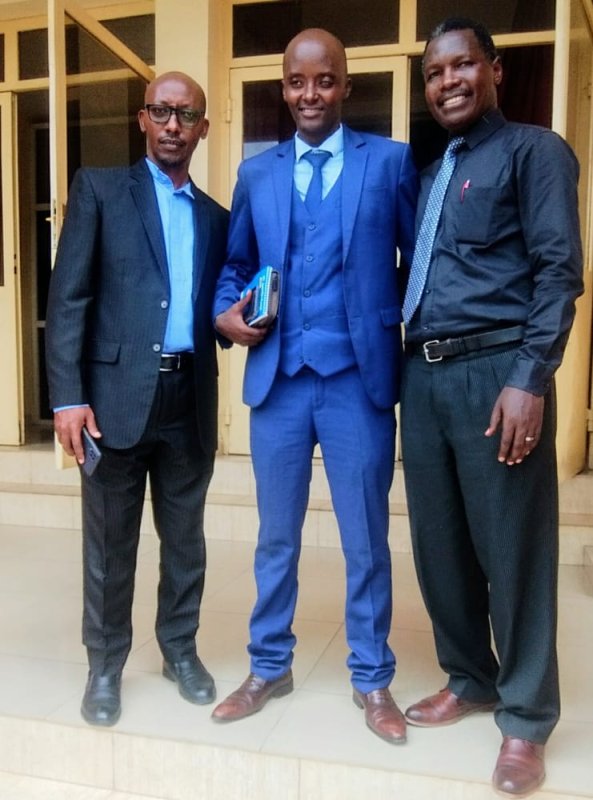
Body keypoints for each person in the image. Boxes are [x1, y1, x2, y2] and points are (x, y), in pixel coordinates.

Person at [211, 28, 418, 744]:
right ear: (283, 89)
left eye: (324, 80)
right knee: (276, 538)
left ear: (346, 86)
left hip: (359, 380)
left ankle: (372, 676)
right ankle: (269, 666)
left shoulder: (389, 162)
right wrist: (226, 313)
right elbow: (237, 265)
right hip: (280, 380)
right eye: (297, 82)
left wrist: (389, 319)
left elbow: (417, 263)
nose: (310, 94)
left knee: (365, 538)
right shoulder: (256, 174)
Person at [400, 18, 583, 796]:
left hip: (495, 374)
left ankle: (526, 719)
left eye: (461, 65)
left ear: (494, 70)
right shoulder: (432, 173)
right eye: (434, 72)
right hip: (423, 376)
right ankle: (470, 677)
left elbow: (558, 272)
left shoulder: (534, 152)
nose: (447, 81)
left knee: (513, 550)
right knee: (439, 546)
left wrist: (528, 379)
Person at [45, 71, 229, 727]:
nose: (174, 124)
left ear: (202, 128)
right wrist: (67, 396)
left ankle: (180, 650)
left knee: (185, 542)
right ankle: (105, 666)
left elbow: (212, 310)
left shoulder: (215, 218)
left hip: (188, 397)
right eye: (162, 111)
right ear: (142, 119)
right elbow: (69, 299)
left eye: (187, 115)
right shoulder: (100, 190)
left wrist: (238, 321)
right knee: (108, 544)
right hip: (111, 401)